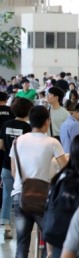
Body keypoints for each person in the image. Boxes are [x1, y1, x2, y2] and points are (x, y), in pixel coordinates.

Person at [11, 105, 68, 258]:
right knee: (53, 238)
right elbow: (67, 169)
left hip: (20, 196)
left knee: (21, 247)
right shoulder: (52, 142)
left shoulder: (18, 141)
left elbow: (13, 172)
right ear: (47, 122)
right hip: (43, 199)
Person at [0, 98, 33, 240]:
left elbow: (1, 146)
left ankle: (6, 225)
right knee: (22, 196)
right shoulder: (28, 128)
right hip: (23, 167)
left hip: (6, 165)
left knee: (7, 195)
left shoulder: (5, 125)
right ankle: (23, 225)